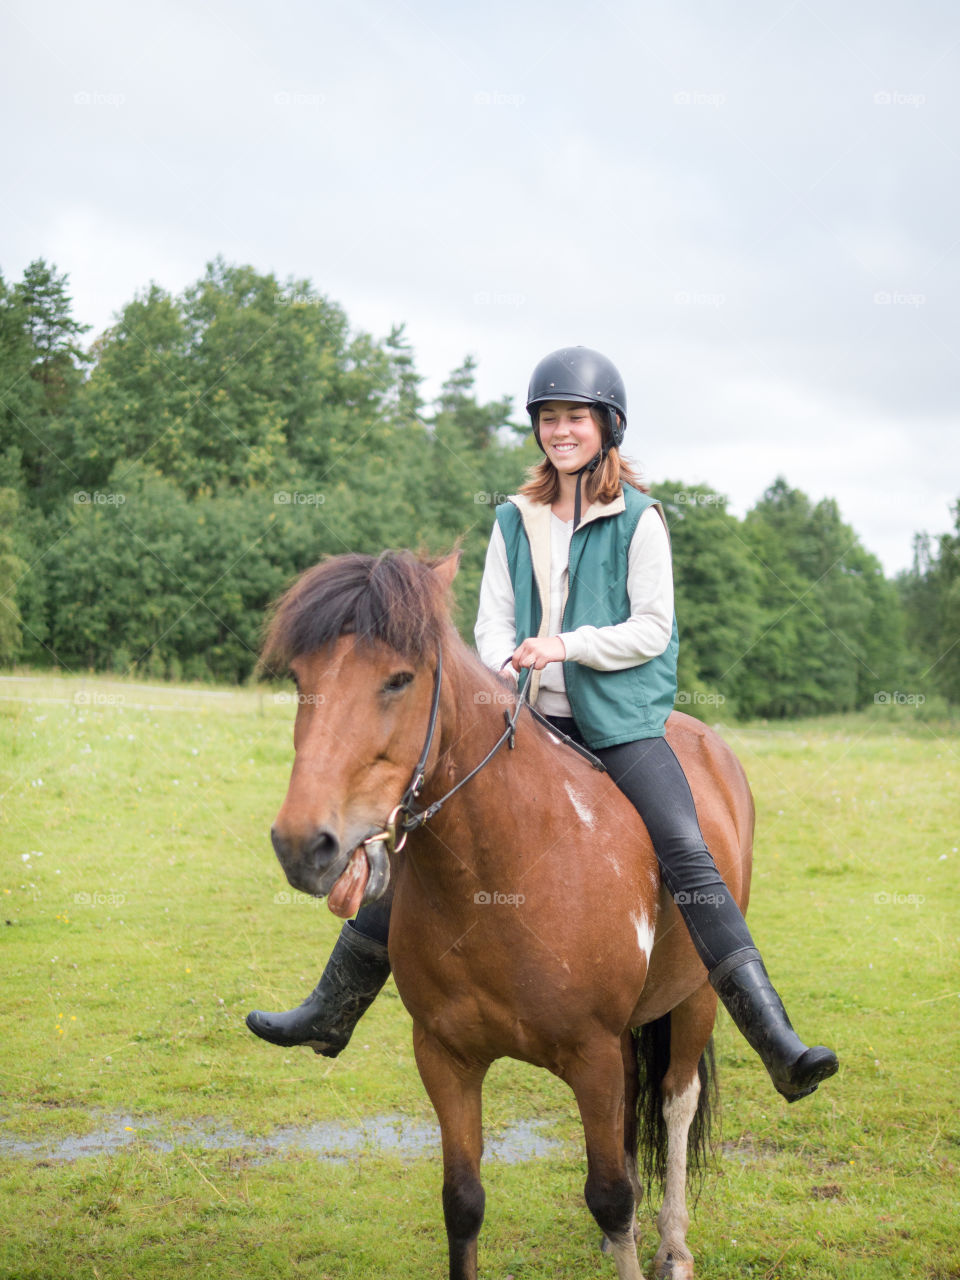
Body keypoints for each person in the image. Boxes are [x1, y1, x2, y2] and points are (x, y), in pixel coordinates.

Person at [247, 346, 839, 1104]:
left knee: (688, 849)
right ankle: (331, 1008)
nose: (562, 431)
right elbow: (491, 623)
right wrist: (510, 667)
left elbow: (652, 628)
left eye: (577, 419)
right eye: (550, 419)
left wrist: (566, 645)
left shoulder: (641, 519)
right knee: (427, 834)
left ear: (607, 428)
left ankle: (772, 1035)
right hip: (529, 715)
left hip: (619, 720)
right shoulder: (515, 517)